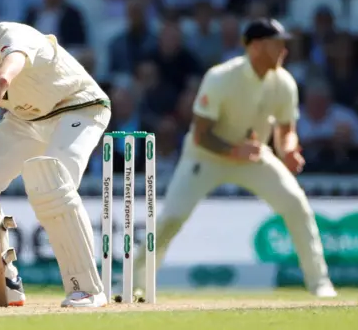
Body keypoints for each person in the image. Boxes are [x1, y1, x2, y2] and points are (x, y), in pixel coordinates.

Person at [133, 18, 337, 298]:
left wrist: (289, 150)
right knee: (172, 218)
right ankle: (135, 283)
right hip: (206, 157)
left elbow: (286, 131)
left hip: (254, 156)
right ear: (255, 47)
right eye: (276, 45)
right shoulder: (221, 77)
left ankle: (320, 283)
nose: (284, 51)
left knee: (296, 206)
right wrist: (232, 150)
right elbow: (200, 135)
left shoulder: (285, 82)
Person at [0, 0, 111, 308]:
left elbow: (2, 78)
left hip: (78, 108)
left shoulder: (13, 35)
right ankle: (2, 281)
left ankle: (87, 289)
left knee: (51, 183)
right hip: (26, 120)